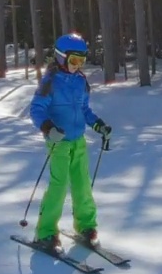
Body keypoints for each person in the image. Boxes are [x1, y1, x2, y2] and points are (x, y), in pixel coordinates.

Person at [28, 33, 112, 251]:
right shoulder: (50, 82)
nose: (78, 65)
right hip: (59, 143)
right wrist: (48, 128)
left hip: (78, 141)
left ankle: (86, 226)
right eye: (74, 60)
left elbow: (84, 110)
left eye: (82, 61)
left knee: (82, 185)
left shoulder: (80, 81)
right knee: (59, 186)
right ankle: (46, 232)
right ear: (61, 57)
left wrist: (98, 125)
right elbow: (37, 109)